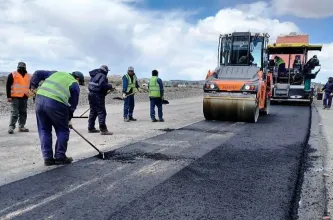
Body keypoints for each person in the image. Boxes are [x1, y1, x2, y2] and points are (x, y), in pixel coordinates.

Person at [30, 70, 85, 166]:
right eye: (80, 83)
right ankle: (60, 157)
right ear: (78, 79)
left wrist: (33, 87)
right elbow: (72, 105)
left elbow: (37, 73)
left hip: (39, 100)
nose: (79, 84)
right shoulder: (74, 84)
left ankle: (48, 159)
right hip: (55, 104)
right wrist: (68, 118)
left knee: (44, 130)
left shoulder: (56, 73)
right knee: (63, 130)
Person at [87, 65, 114, 135]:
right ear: (105, 70)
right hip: (98, 95)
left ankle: (91, 128)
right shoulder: (102, 75)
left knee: (93, 111)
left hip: (91, 94)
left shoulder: (94, 75)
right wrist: (110, 86)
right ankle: (103, 130)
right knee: (101, 112)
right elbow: (102, 85)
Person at [6, 62, 31, 134]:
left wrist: (33, 95)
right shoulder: (13, 74)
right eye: (20, 67)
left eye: (23, 67)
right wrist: (8, 96)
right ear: (18, 67)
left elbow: (30, 86)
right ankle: (11, 127)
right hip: (15, 96)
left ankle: (21, 126)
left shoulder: (28, 76)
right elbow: (8, 86)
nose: (21, 69)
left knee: (23, 112)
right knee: (14, 112)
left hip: (24, 96)